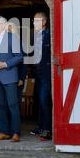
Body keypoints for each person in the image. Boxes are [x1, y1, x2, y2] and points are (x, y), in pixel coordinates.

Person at [0, 16, 24, 142]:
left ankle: (16, 132)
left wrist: (5, 64)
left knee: (13, 105)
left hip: (9, 76)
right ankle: (4, 131)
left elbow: (19, 56)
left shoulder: (11, 37)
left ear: (2, 25)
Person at [31, 12, 52, 141]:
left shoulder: (49, 35)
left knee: (45, 100)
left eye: (37, 20)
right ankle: (40, 126)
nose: (34, 23)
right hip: (37, 72)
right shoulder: (35, 36)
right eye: (34, 20)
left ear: (44, 22)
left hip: (46, 72)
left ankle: (48, 129)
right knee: (39, 100)